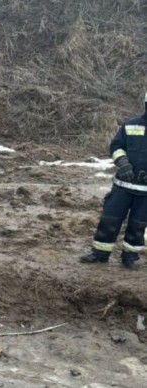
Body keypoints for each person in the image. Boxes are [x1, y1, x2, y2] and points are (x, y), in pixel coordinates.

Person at [80, 93, 147, 270]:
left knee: (137, 225)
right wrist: (123, 164)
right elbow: (116, 146)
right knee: (110, 219)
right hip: (122, 187)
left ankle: (129, 257)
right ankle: (100, 253)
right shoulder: (131, 124)